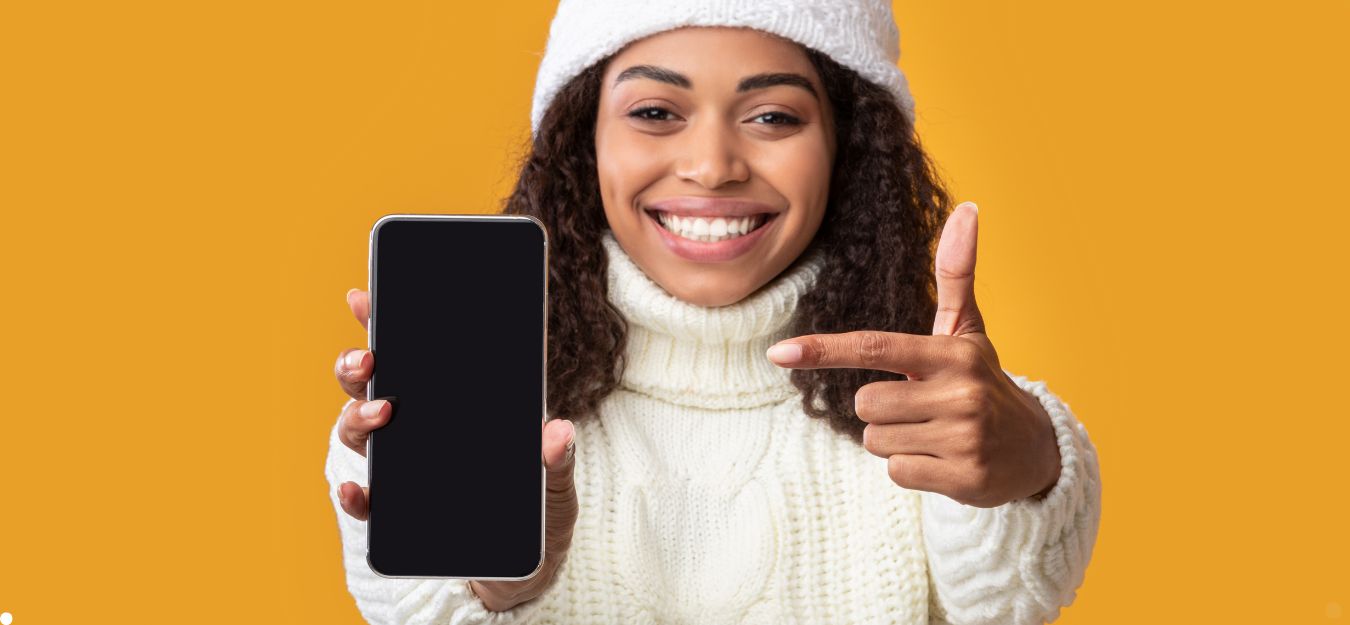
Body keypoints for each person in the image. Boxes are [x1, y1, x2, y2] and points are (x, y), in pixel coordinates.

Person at [325, 0, 1102, 623]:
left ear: (847, 146)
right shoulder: (451, 419)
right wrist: (493, 591)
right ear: (580, 141)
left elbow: (1002, 603)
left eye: (772, 117)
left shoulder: (940, 416)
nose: (711, 166)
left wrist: (1032, 465)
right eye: (656, 112)